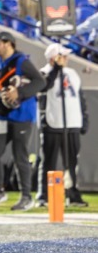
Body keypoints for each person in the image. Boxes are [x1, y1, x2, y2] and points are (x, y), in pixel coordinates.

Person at [0, 31, 46, 211]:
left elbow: (40, 82)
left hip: (22, 116)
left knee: (20, 156)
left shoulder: (21, 61)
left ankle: (26, 196)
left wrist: (20, 93)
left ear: (8, 43)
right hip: (1, 115)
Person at [36, 44, 89, 207]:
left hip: (72, 122)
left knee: (71, 163)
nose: (66, 59)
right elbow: (44, 87)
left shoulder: (72, 73)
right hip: (53, 123)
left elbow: (80, 98)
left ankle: (72, 193)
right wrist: (55, 69)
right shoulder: (44, 72)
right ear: (53, 58)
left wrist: (84, 119)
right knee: (48, 162)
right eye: (62, 56)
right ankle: (44, 195)